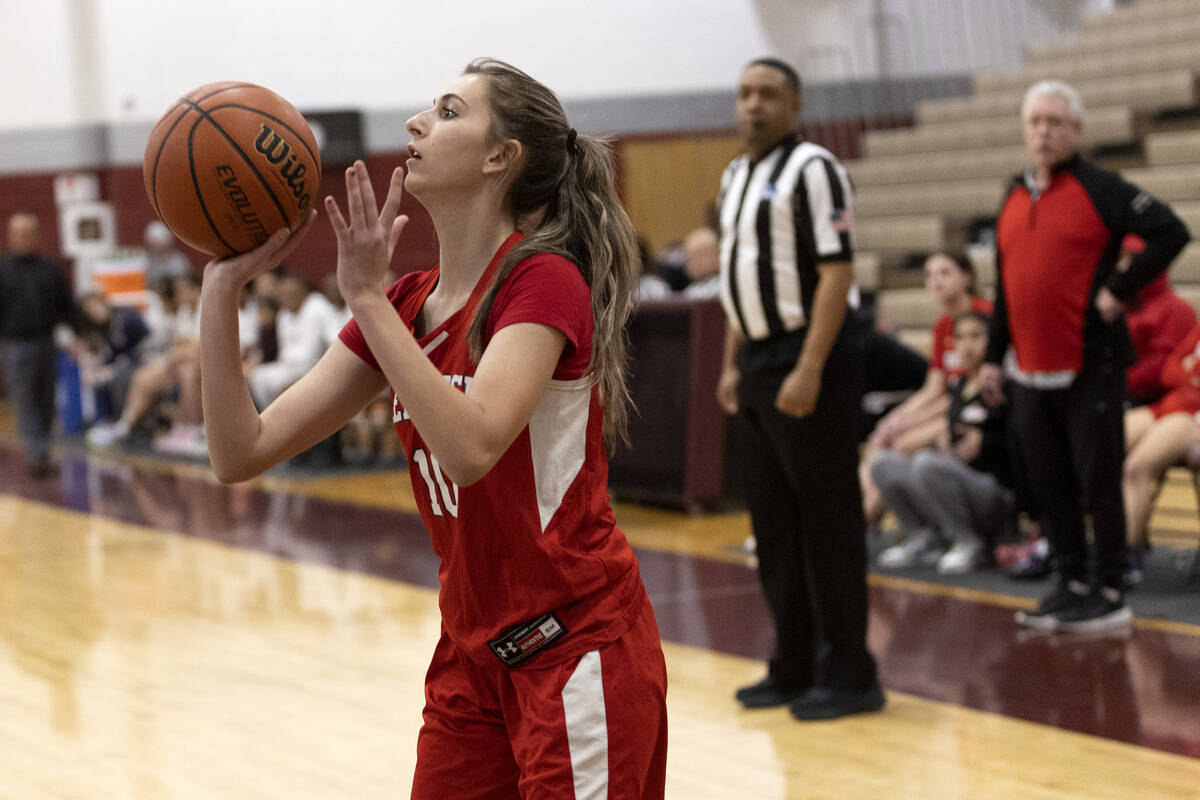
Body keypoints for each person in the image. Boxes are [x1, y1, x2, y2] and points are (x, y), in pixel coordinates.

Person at [197, 59, 667, 797]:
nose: (417, 123)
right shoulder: (409, 303)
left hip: (574, 650)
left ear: (498, 157)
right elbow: (239, 451)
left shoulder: (543, 280)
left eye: (448, 111)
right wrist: (220, 289)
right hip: (470, 661)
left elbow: (474, 445)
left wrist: (365, 298)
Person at [982, 80, 1190, 633]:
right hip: (1028, 366)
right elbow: (1006, 285)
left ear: (1076, 130)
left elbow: (1171, 231)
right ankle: (1071, 581)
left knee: (1099, 480)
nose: (1044, 131)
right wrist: (991, 355)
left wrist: (1120, 288)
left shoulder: (1102, 188)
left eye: (1055, 122)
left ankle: (1110, 589)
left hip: (1089, 361)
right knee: (1050, 481)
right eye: (1035, 122)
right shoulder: (1013, 194)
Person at [715, 57, 883, 720]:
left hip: (808, 356)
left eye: (768, 94)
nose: (753, 104)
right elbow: (737, 278)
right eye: (745, 92)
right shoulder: (735, 174)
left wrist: (810, 368)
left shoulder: (815, 169)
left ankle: (851, 673)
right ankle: (793, 663)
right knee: (774, 527)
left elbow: (837, 276)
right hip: (755, 359)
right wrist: (730, 365)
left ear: (795, 105)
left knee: (828, 524)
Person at [872, 310, 1015, 573]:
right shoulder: (958, 386)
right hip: (957, 481)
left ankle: (971, 543)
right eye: (960, 337)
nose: (967, 344)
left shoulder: (1004, 387)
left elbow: (1021, 445)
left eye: (976, 336)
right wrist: (942, 442)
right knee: (883, 463)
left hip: (995, 488)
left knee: (928, 464)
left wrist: (985, 442)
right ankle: (923, 538)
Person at [861, 251, 992, 527]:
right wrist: (894, 421)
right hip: (948, 405)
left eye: (945, 273)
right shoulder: (943, 325)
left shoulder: (982, 318)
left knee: (899, 445)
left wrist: (906, 425)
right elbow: (933, 389)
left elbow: (962, 392)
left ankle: (866, 525)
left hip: (973, 410)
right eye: (929, 275)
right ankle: (861, 522)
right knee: (879, 441)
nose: (936, 282)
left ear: (966, 276)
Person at [1122, 321, 1200, 585]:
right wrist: (1189, 375)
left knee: (1137, 466)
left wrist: (1189, 372)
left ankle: (1128, 553)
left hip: (1192, 416)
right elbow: (1168, 371)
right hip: (1168, 406)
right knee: (1102, 442)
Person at [0, 213, 77, 477]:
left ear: (36, 235)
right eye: (18, 233)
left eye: (28, 232)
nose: (24, 238)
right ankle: (36, 457)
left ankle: (42, 450)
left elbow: (67, 306)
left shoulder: (49, 268)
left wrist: (77, 337)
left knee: (46, 401)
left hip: (46, 342)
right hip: (14, 346)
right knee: (25, 401)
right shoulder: (2, 270)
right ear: (10, 236)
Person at [245, 272, 336, 409]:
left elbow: (313, 353)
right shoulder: (284, 314)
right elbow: (284, 352)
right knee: (257, 377)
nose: (287, 297)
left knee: (287, 385)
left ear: (303, 293)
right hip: (290, 366)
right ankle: (269, 416)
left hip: (315, 366)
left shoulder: (316, 307)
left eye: (291, 293)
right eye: (284, 294)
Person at [143, 220, 191, 293]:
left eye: (161, 243)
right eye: (155, 244)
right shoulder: (143, 263)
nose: (158, 248)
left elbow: (186, 284)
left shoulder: (179, 262)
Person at [679, 227, 721, 299]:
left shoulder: (727, 288)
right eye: (688, 256)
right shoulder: (690, 292)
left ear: (718, 254)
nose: (693, 262)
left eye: (700, 255)